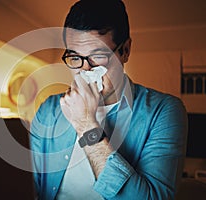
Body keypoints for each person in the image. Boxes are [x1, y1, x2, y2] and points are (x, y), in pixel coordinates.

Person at [30, 0, 188, 199]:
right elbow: (31, 189)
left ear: (125, 51)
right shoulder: (49, 110)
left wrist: (86, 125)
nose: (85, 71)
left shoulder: (164, 112)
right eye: (75, 58)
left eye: (98, 56)